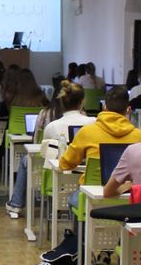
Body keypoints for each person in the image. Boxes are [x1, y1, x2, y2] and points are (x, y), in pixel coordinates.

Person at [9, 82, 90, 215]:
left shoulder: (51, 125)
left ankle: (16, 204)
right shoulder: (92, 123)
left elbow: (40, 147)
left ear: (61, 101)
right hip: (83, 176)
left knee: (26, 160)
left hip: (55, 175)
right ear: (82, 101)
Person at [59, 86, 141, 173]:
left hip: (91, 185)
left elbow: (64, 164)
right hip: (127, 186)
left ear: (104, 107)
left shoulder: (87, 132)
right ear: (128, 110)